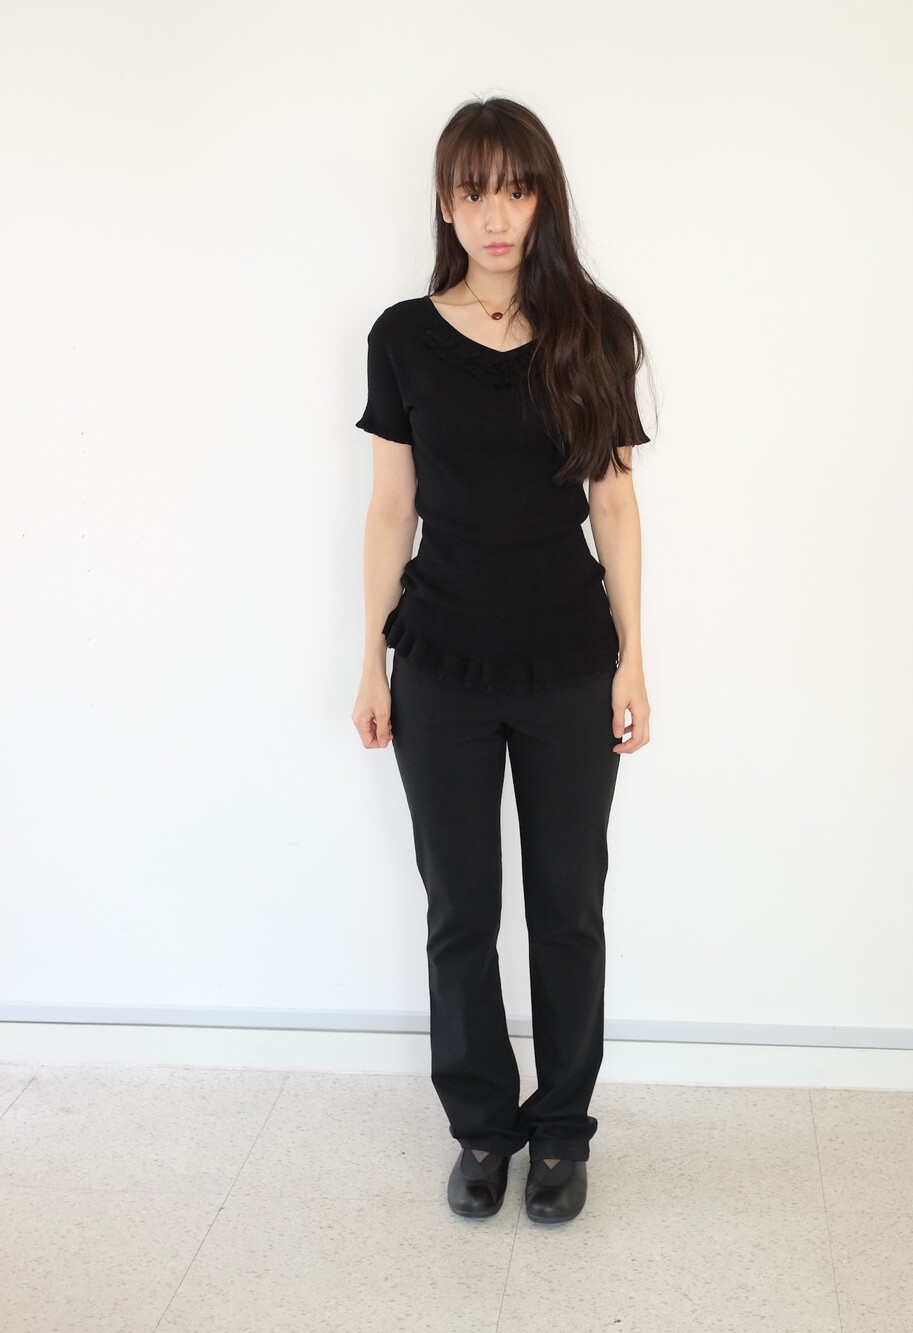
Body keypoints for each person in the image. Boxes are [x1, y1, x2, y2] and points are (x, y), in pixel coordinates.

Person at [351, 96, 652, 1224]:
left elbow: (615, 505)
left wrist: (633, 659)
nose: (494, 215)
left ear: (542, 201)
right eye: (473, 192)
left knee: (568, 904)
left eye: (515, 191)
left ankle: (562, 1130)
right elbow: (392, 509)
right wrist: (371, 661)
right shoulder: (401, 338)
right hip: (440, 663)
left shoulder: (593, 331)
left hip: (570, 661)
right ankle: (483, 1125)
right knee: (460, 907)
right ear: (445, 203)